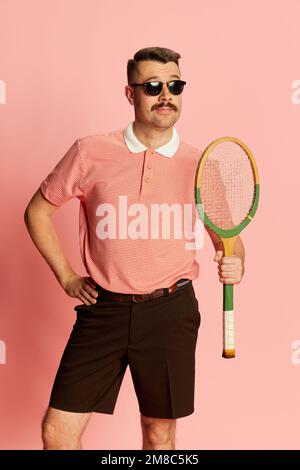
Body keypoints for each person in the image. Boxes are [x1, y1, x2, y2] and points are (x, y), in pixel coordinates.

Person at [24, 46, 245, 450]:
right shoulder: (90, 152)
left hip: (169, 310)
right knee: (58, 431)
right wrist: (68, 277)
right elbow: (36, 212)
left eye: (174, 85)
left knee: (159, 434)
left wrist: (235, 263)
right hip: (103, 310)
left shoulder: (201, 162)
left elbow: (230, 242)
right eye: (152, 86)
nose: (165, 95)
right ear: (131, 94)